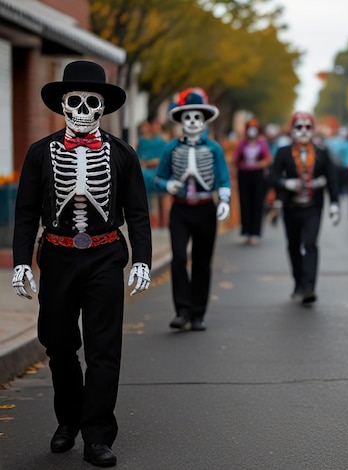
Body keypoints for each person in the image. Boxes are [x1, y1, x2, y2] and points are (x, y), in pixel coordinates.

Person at [11, 60, 152, 467]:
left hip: (106, 256)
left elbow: (138, 212)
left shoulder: (123, 154)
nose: (84, 111)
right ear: (63, 106)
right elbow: (25, 212)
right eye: (77, 102)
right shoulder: (40, 153)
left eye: (93, 103)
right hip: (56, 255)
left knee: (104, 347)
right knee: (58, 344)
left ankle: (97, 435)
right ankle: (67, 420)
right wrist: (22, 263)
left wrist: (141, 259)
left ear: (103, 109)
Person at [155, 88, 231, 331]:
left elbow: (223, 179)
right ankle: (182, 310)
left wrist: (225, 201)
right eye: (187, 117)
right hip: (180, 209)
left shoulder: (214, 149)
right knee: (178, 257)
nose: (192, 122)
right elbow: (159, 178)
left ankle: (198, 313)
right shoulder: (170, 149)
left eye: (197, 117)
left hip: (205, 208)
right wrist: (169, 184)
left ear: (204, 121)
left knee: (202, 261)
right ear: (181, 121)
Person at [267, 111, 340, 304]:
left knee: (310, 244)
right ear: (292, 130)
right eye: (299, 127)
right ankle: (298, 282)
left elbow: (332, 180)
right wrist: (286, 183)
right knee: (293, 246)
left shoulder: (322, 154)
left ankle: (309, 287)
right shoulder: (283, 152)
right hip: (291, 207)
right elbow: (272, 177)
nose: (303, 131)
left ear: (313, 130)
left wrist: (334, 205)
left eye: (308, 127)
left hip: (313, 207)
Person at [231, 117, 273, 244]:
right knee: (245, 203)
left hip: (258, 176)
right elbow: (234, 158)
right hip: (244, 175)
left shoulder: (262, 143)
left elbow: (268, 159)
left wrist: (260, 164)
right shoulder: (242, 143)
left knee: (257, 204)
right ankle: (245, 232)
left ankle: (255, 233)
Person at [136, 117, 167, 226]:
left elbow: (160, 160)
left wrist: (149, 163)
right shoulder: (142, 141)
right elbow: (138, 157)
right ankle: (147, 217)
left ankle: (163, 220)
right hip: (145, 173)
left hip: (157, 172)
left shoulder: (161, 141)